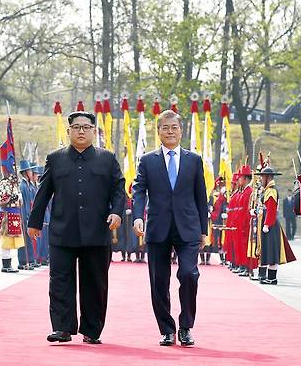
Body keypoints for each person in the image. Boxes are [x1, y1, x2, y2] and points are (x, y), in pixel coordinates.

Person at [27, 111, 124, 345]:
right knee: (60, 280)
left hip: (97, 232)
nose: (81, 131)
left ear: (94, 131)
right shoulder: (55, 158)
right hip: (63, 230)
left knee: (95, 282)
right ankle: (62, 328)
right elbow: (44, 192)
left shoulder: (107, 158)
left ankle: (92, 330)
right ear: (68, 130)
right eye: (77, 127)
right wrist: (34, 222)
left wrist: (116, 212)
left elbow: (119, 189)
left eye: (86, 127)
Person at [132, 110, 209, 347]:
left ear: (181, 130)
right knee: (159, 281)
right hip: (158, 227)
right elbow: (138, 190)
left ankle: (185, 327)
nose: (170, 132)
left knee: (189, 274)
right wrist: (138, 217)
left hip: (188, 228)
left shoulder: (194, 160)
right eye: (165, 128)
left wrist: (204, 230)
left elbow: (200, 196)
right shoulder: (147, 160)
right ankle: (167, 329)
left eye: (174, 127)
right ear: (158, 132)